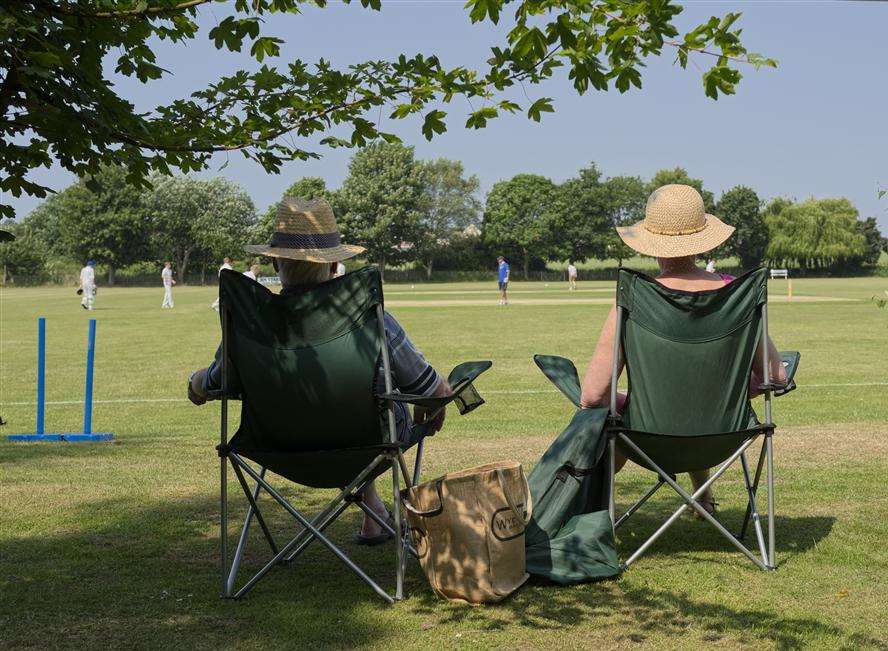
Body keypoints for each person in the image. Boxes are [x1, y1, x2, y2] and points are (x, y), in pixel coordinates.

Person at [187, 197, 451, 545]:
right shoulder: (369, 320)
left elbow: (211, 384)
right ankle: (378, 517)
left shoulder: (252, 325)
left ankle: (374, 517)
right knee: (367, 409)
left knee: (340, 410)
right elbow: (435, 391)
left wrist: (195, 383)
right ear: (332, 267)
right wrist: (433, 404)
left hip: (275, 445)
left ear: (278, 263)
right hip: (367, 442)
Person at [579, 184, 786, 516]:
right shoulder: (737, 297)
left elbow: (591, 395)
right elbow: (776, 377)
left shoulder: (635, 299)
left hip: (646, 440)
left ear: (652, 244)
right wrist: (724, 388)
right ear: (703, 239)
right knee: (694, 394)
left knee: (609, 410)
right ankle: (702, 496)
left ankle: (592, 512)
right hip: (723, 438)